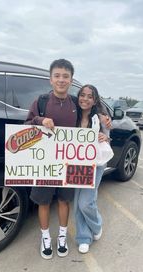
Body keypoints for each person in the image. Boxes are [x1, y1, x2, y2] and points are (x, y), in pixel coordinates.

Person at [25, 59, 111, 260]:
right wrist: (40, 120)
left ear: (71, 80)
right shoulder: (41, 102)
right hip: (44, 164)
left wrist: (106, 125)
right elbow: (27, 124)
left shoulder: (75, 102)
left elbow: (93, 110)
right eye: (57, 76)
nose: (61, 80)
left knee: (65, 200)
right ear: (50, 79)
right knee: (44, 202)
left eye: (66, 76)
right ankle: (45, 237)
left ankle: (62, 236)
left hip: (69, 166)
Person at [74, 84, 111, 254]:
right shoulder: (72, 114)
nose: (85, 99)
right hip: (75, 164)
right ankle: (83, 237)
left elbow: (108, 138)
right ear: (78, 96)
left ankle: (96, 225)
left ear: (94, 100)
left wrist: (105, 136)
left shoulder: (101, 118)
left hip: (96, 164)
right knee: (77, 201)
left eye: (89, 96)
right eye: (82, 95)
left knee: (86, 202)